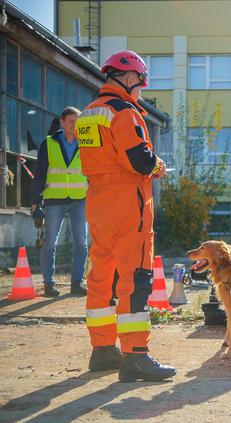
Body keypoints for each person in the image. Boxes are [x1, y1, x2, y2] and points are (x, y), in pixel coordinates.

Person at [75, 50, 175, 382]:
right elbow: (139, 161)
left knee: (101, 275)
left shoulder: (88, 114)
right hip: (127, 202)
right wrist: (158, 166)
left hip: (97, 202)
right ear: (130, 80)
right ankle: (135, 355)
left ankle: (102, 349)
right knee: (136, 277)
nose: (140, 93)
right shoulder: (125, 112)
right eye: (140, 85)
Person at [30, 107, 88, 297]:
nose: (74, 125)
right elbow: (39, 173)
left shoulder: (87, 143)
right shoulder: (49, 143)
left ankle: (77, 283)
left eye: (77, 121)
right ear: (62, 122)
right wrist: (35, 201)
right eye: (71, 121)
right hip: (55, 199)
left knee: (81, 243)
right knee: (49, 244)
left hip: (79, 199)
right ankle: (48, 284)